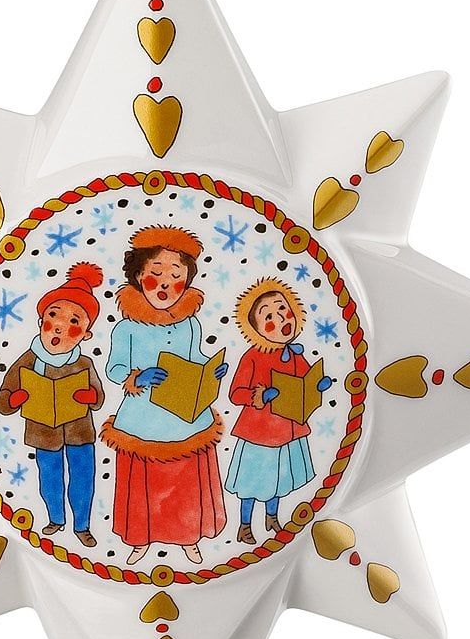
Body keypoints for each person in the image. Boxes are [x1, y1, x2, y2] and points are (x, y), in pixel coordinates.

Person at [100, 226, 227, 564]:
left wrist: (210, 370)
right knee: (145, 483)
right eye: (156, 273)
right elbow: (114, 368)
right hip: (142, 418)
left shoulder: (190, 324)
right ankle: (140, 539)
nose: (166, 284)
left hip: (185, 416)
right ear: (139, 276)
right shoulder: (127, 327)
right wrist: (137, 377)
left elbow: (195, 356)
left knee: (185, 482)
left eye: (176, 275)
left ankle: (188, 538)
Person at [0, 262, 105, 546]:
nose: (59, 327)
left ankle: (82, 525)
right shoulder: (28, 360)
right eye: (53, 316)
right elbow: (3, 400)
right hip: (43, 433)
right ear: (41, 321)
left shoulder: (83, 363)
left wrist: (90, 397)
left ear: (85, 334)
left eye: (73, 322)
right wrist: (15, 399)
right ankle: (56, 518)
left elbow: (99, 396)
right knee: (50, 477)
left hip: (80, 433)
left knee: (83, 478)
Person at [225, 277, 333, 544]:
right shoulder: (252, 356)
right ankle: (244, 525)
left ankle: (272, 517)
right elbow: (235, 394)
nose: (281, 318)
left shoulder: (294, 354)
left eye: (283, 309)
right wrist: (260, 396)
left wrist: (316, 386)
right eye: (269, 316)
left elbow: (304, 383)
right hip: (258, 435)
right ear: (255, 328)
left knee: (278, 480)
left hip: (287, 431)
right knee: (252, 482)